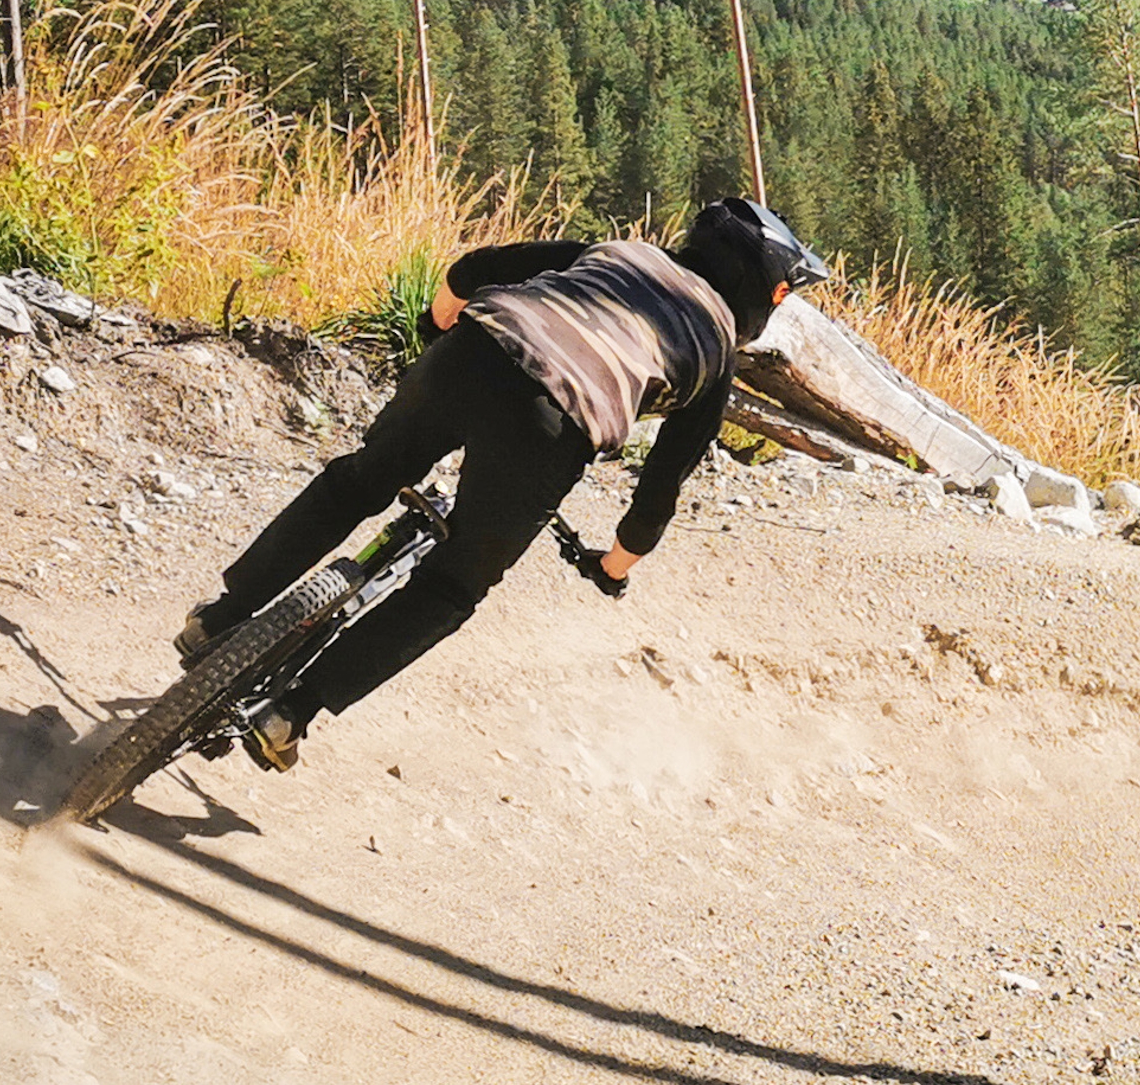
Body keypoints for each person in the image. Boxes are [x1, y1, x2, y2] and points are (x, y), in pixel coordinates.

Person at [173, 196, 830, 771]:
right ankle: (293, 711)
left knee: (359, 482)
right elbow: (657, 495)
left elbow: (473, 271)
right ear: (765, 293)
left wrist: (435, 329)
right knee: (453, 584)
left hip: (472, 352)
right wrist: (612, 566)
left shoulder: (616, 252)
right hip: (549, 428)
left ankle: (221, 618)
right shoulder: (714, 350)